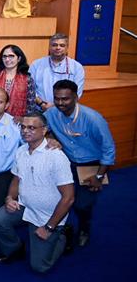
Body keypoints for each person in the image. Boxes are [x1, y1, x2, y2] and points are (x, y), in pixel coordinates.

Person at [0, 112, 74, 273]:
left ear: (44, 130)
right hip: (24, 207)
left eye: (32, 128)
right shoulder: (21, 151)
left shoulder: (56, 156)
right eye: (23, 127)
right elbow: (16, 179)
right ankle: (15, 248)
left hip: (47, 217)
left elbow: (69, 198)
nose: (25, 131)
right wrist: (9, 198)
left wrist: (49, 227)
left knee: (39, 267)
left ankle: (62, 235)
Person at [43, 79, 115, 248]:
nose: (60, 103)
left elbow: (109, 149)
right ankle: (63, 227)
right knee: (57, 198)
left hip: (92, 164)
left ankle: (84, 228)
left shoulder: (93, 118)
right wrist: (50, 137)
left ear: (75, 97)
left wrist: (99, 175)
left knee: (83, 204)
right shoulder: (51, 114)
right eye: (57, 98)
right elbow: (38, 125)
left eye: (65, 99)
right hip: (66, 162)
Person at [29, 34, 85, 110]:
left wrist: (56, 106)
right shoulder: (36, 64)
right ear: (49, 47)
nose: (58, 48)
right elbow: (30, 89)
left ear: (67, 48)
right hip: (40, 109)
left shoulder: (76, 67)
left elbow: (77, 93)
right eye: (54, 45)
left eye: (62, 45)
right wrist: (42, 104)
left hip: (65, 110)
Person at [0, 44, 37, 122]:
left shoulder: (27, 79)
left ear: (19, 58)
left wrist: (25, 120)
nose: (7, 59)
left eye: (11, 56)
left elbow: (31, 105)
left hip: (18, 122)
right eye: (4, 56)